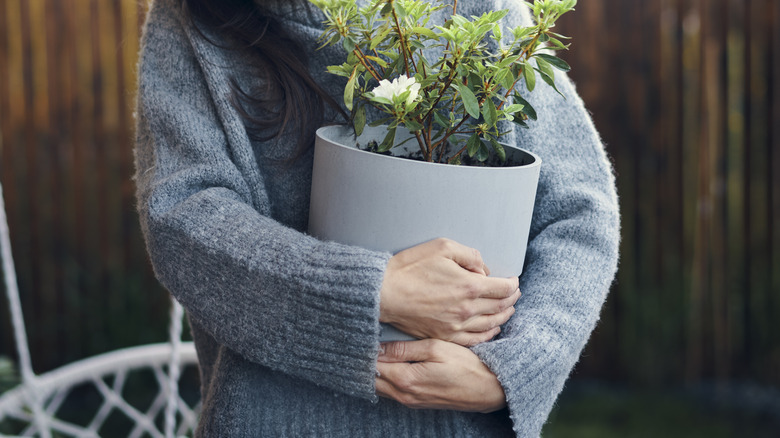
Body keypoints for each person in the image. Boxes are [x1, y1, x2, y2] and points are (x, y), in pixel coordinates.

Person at [133, 0, 620, 436]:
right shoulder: (193, 21)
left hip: (459, 419)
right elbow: (183, 214)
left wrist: (512, 370)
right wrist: (375, 290)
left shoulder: (479, 13)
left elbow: (578, 212)